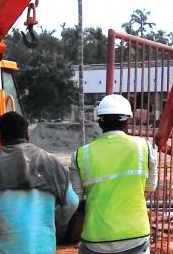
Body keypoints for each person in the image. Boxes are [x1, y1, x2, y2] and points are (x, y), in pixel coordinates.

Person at [0, 112, 79, 254]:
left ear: (0, 138)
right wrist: (59, 219)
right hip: (44, 249)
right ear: (26, 135)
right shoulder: (51, 163)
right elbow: (72, 202)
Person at [69, 94, 157, 254]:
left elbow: (77, 200)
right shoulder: (144, 147)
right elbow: (150, 187)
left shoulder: (81, 155)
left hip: (95, 238)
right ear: (127, 120)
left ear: (99, 121)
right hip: (135, 235)